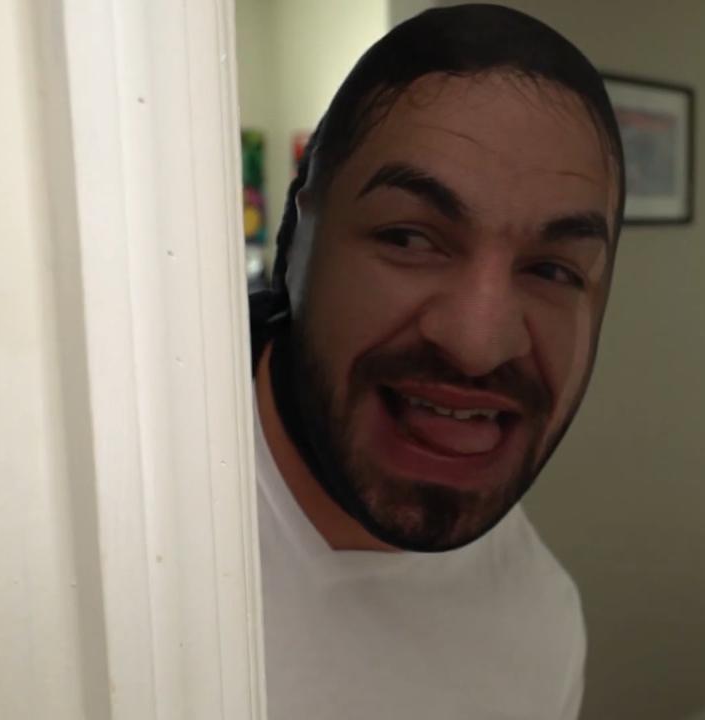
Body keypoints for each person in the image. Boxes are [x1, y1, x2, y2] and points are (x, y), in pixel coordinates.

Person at [246, 5, 625, 719]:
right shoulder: (100, 533)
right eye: (409, 238)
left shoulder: (542, 621)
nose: (478, 344)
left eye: (552, 270)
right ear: (298, 241)